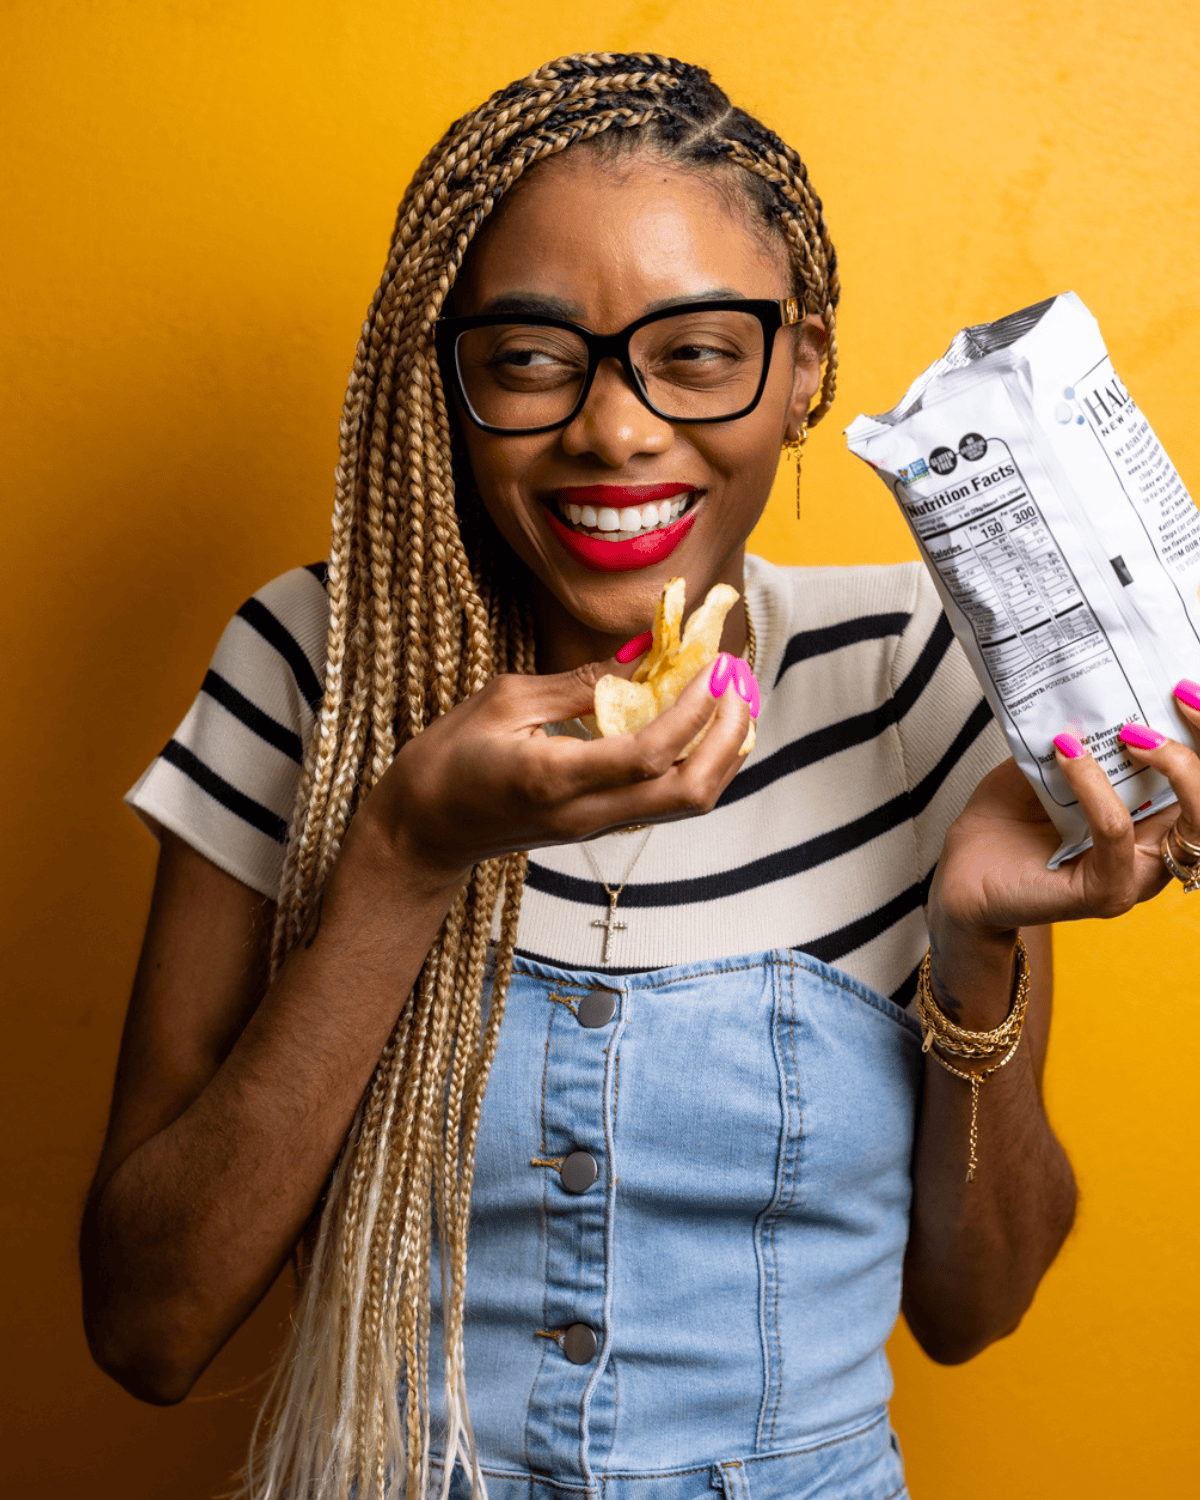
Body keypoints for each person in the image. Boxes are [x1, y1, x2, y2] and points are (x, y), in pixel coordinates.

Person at [80, 52, 1200, 1500]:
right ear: (453, 379)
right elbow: (145, 1328)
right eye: (534, 359)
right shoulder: (317, 670)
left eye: (697, 352)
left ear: (802, 371)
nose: (614, 427)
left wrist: (973, 948)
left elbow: (973, 1312)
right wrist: (408, 857)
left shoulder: (920, 676)